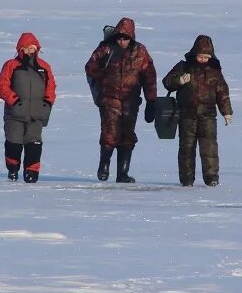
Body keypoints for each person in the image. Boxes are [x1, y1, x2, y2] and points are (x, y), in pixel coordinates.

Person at [85, 17, 157, 183]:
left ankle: (122, 173)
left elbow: (149, 76)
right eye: (119, 37)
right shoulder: (105, 49)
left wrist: (151, 101)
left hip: (131, 101)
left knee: (127, 136)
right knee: (110, 133)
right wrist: (102, 66)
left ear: (131, 38)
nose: (122, 41)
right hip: (109, 99)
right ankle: (104, 166)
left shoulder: (140, 52)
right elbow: (90, 67)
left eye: (125, 38)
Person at [161, 35, 233, 187]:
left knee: (209, 147)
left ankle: (211, 177)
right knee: (186, 148)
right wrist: (179, 80)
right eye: (200, 56)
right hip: (186, 115)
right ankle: (187, 179)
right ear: (195, 54)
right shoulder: (184, 66)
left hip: (208, 116)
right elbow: (167, 82)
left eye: (206, 57)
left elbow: (222, 92)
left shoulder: (215, 71)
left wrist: (227, 112)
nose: (203, 60)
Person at [0, 32, 57, 183]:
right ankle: (13, 168)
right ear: (20, 49)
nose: (30, 51)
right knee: (13, 143)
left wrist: (47, 103)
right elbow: (2, 85)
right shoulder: (11, 65)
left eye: (32, 48)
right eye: (26, 48)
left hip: (37, 114)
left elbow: (51, 87)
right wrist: (14, 101)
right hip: (15, 113)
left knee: (34, 144)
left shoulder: (44, 67)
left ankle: (31, 172)